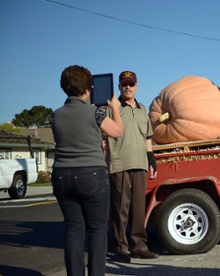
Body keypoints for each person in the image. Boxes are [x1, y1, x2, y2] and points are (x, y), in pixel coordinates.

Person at [50, 65, 123, 276]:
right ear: (88, 89)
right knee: (97, 229)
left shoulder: (55, 116)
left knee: (73, 228)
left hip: (62, 175)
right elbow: (117, 131)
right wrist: (115, 109)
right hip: (91, 174)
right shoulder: (95, 112)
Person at [105, 70, 159, 264]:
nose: (128, 87)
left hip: (140, 163)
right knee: (121, 209)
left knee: (138, 207)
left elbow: (147, 138)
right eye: (124, 84)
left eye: (131, 84)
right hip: (119, 164)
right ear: (119, 87)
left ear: (136, 87)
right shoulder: (112, 108)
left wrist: (151, 160)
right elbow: (103, 139)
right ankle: (120, 247)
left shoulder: (142, 108)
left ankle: (139, 246)